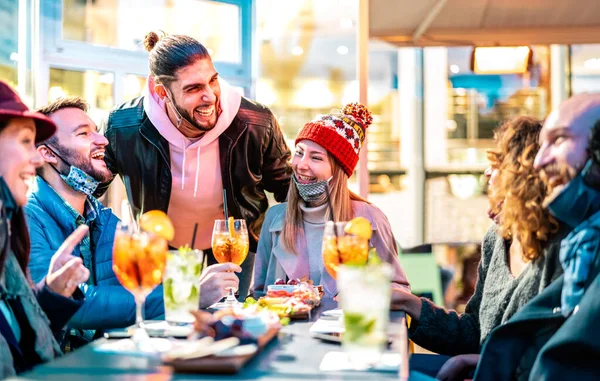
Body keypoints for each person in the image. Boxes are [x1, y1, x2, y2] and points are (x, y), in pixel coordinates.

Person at [25, 97, 242, 348]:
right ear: (47, 154)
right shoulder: (27, 218)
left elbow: (145, 288)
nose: (102, 140)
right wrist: (187, 295)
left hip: (110, 358)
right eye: (84, 134)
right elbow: (69, 303)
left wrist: (194, 285)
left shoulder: (105, 220)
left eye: (96, 130)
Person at [96, 32, 292, 299]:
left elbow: (287, 188)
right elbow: (88, 188)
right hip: (162, 249)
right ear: (161, 91)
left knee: (232, 326)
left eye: (213, 80)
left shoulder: (255, 122)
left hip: (235, 248)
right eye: (193, 88)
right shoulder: (123, 126)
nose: (210, 96)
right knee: (172, 325)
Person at [393, 117, 568, 380]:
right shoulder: (496, 240)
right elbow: (474, 333)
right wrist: (410, 303)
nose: (487, 172)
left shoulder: (563, 251)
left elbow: (555, 358)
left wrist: (478, 361)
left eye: (497, 164)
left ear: (525, 177)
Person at [474, 93, 600, 380]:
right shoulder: (583, 244)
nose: (541, 162)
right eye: (541, 145)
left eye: (559, 139)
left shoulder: (570, 245)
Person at [253, 103, 409, 298]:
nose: (302, 165)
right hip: (287, 328)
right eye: (299, 153)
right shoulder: (275, 218)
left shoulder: (368, 219)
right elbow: (258, 294)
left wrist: (365, 297)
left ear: (339, 171)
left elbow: (398, 287)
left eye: (316, 158)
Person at [0, 81, 90, 377]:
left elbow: (16, 344)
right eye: (26, 140)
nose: (37, 158)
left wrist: (52, 295)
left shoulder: (7, 230)